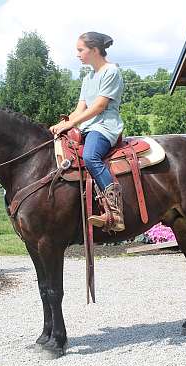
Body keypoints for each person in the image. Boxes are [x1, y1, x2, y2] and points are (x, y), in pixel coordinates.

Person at [49, 32, 125, 232]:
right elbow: (80, 109)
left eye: (80, 50)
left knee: (91, 157)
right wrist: (63, 124)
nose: (78, 54)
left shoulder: (111, 71)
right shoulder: (88, 77)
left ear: (94, 50)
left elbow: (99, 106)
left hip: (104, 127)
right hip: (88, 127)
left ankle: (115, 211)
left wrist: (72, 123)